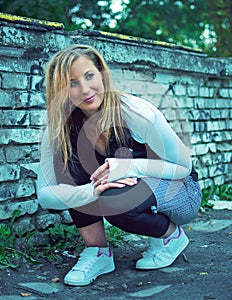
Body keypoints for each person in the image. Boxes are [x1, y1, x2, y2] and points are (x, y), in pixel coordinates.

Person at [37, 44, 202, 286]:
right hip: (131, 189)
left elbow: (183, 168)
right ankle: (98, 252)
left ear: (102, 73)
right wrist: (88, 191)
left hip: (180, 191)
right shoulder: (58, 129)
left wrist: (128, 167)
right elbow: (45, 194)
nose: (85, 89)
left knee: (117, 202)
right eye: (72, 83)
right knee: (74, 167)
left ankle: (170, 236)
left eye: (89, 76)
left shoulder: (135, 112)